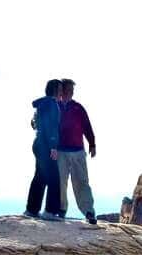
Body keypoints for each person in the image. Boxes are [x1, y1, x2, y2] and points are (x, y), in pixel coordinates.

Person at [57, 78, 97, 224]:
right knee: (60, 182)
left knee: (81, 182)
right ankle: (60, 210)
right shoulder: (55, 106)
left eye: (72, 91)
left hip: (77, 151)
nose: (71, 93)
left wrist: (92, 144)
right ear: (61, 92)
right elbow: (42, 119)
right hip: (60, 151)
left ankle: (89, 212)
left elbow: (87, 126)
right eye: (68, 90)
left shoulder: (78, 108)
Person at [25, 79, 63, 221]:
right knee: (54, 178)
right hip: (46, 145)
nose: (62, 92)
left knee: (40, 177)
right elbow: (50, 125)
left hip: (39, 143)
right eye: (60, 89)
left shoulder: (42, 104)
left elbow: (34, 123)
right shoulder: (52, 104)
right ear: (55, 89)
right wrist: (53, 146)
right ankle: (50, 212)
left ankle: (31, 210)